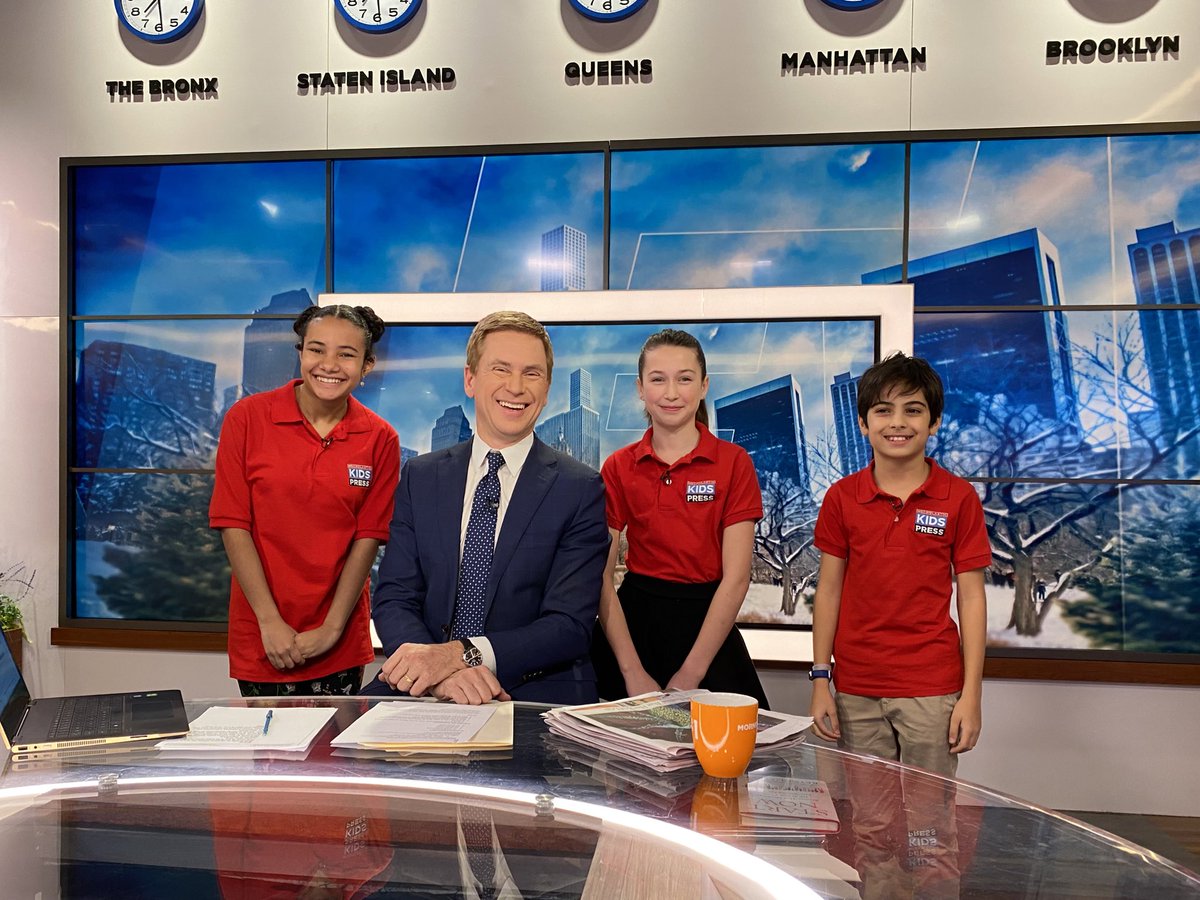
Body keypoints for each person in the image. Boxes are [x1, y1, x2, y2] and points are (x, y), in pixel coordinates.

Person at [809, 351, 990, 898]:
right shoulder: (843, 497)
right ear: (863, 423)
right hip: (858, 688)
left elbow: (972, 599)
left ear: (934, 423)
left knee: (931, 831)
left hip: (931, 688)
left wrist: (971, 695)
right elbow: (829, 591)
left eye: (913, 410)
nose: (898, 422)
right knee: (871, 828)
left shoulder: (958, 498)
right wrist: (821, 679)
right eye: (883, 411)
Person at [367, 311, 609, 705]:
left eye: (532, 373)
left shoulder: (579, 488)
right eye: (501, 369)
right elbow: (394, 596)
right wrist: (436, 673)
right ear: (470, 379)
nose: (516, 387)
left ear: (547, 389)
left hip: (531, 687)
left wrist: (459, 655)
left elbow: (568, 625)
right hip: (426, 685)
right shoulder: (421, 477)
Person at [210, 304, 400, 697]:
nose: (329, 365)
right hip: (263, 635)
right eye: (316, 349)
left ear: (366, 365)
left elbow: (368, 537)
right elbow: (233, 523)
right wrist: (269, 622)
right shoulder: (246, 418)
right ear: (300, 353)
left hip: (339, 641)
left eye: (346, 354)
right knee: (268, 739)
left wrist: (332, 628)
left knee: (336, 739)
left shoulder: (381, 438)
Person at [590, 329, 768, 706]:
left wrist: (690, 674)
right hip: (633, 627)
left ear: (704, 386)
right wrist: (631, 672)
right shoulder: (618, 466)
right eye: (658, 379)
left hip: (708, 628)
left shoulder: (734, 463)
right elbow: (601, 577)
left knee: (737, 739)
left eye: (684, 379)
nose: (671, 393)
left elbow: (736, 578)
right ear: (640, 388)